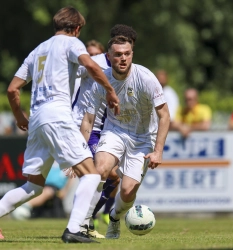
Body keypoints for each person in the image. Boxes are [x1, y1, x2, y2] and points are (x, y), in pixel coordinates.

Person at [0, 6, 119, 243]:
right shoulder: (72, 43)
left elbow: (12, 88)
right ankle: (74, 229)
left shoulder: (37, 51)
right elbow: (92, 67)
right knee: (92, 175)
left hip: (37, 120)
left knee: (33, 187)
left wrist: (20, 117)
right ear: (75, 29)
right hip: (58, 116)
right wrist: (110, 90)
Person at [80, 35, 170, 239]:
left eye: (127, 54)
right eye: (118, 54)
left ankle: (113, 218)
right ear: (109, 57)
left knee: (128, 192)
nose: (123, 58)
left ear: (132, 55)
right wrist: (79, 150)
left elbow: (164, 115)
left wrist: (158, 151)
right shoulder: (101, 81)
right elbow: (88, 119)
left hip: (143, 137)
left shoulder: (146, 78)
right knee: (100, 168)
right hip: (114, 131)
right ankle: (83, 223)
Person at [71, 24, 138, 239]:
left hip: (106, 129)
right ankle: (80, 223)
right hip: (85, 124)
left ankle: (87, 220)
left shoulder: (130, 70)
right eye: (119, 50)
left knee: (115, 178)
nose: (124, 55)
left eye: (128, 50)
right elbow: (70, 74)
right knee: (97, 174)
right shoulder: (96, 63)